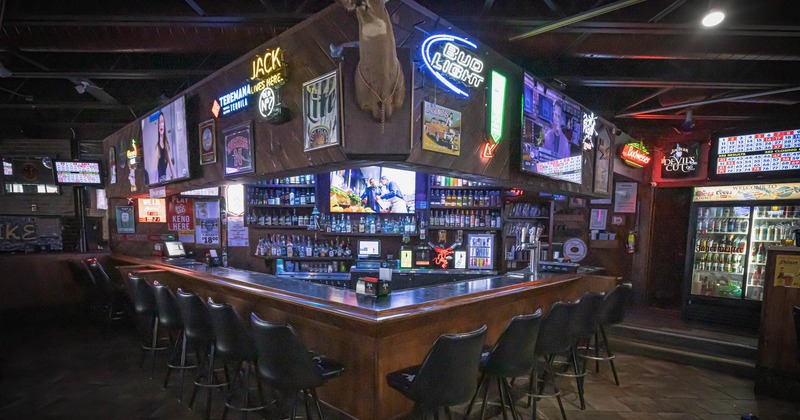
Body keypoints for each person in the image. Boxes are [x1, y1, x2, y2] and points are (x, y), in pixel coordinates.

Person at [156, 112, 177, 182]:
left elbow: (170, 163)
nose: (161, 124)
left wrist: (176, 179)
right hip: (158, 181)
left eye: (162, 122)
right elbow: (155, 168)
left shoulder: (166, 144)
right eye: (159, 122)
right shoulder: (157, 146)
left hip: (164, 180)